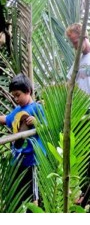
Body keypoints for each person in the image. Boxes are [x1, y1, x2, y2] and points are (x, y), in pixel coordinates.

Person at [0, 74, 45, 208]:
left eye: (18, 95)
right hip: (17, 159)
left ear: (28, 91)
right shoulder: (17, 110)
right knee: (19, 193)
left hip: (31, 160)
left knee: (33, 194)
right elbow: (6, 120)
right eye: (14, 95)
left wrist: (37, 123)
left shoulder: (37, 108)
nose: (16, 98)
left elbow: (47, 128)